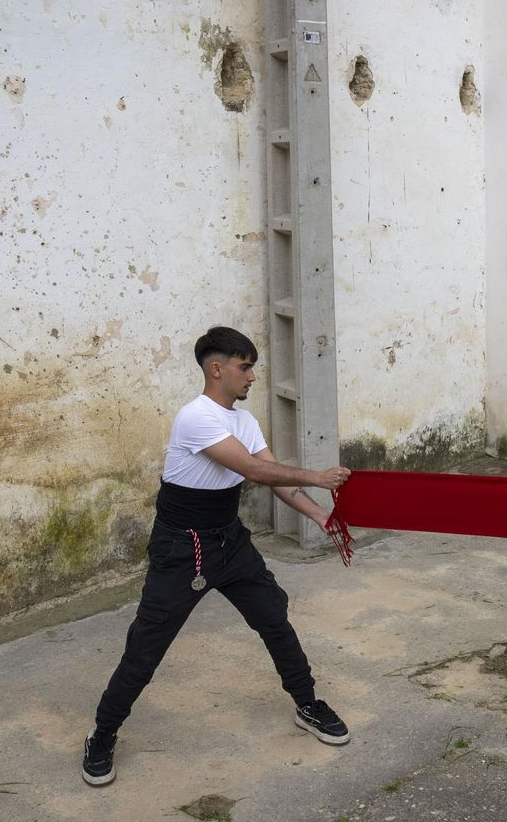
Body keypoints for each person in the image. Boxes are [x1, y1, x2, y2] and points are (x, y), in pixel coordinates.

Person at [82, 326, 353, 786]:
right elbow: (250, 468)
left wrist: (319, 516)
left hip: (229, 540)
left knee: (273, 615)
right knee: (147, 646)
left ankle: (307, 703)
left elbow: (275, 480)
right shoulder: (196, 417)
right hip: (181, 549)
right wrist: (320, 476)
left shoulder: (245, 422)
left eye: (252, 367)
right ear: (216, 368)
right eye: (244, 366)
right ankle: (102, 734)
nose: (252, 376)